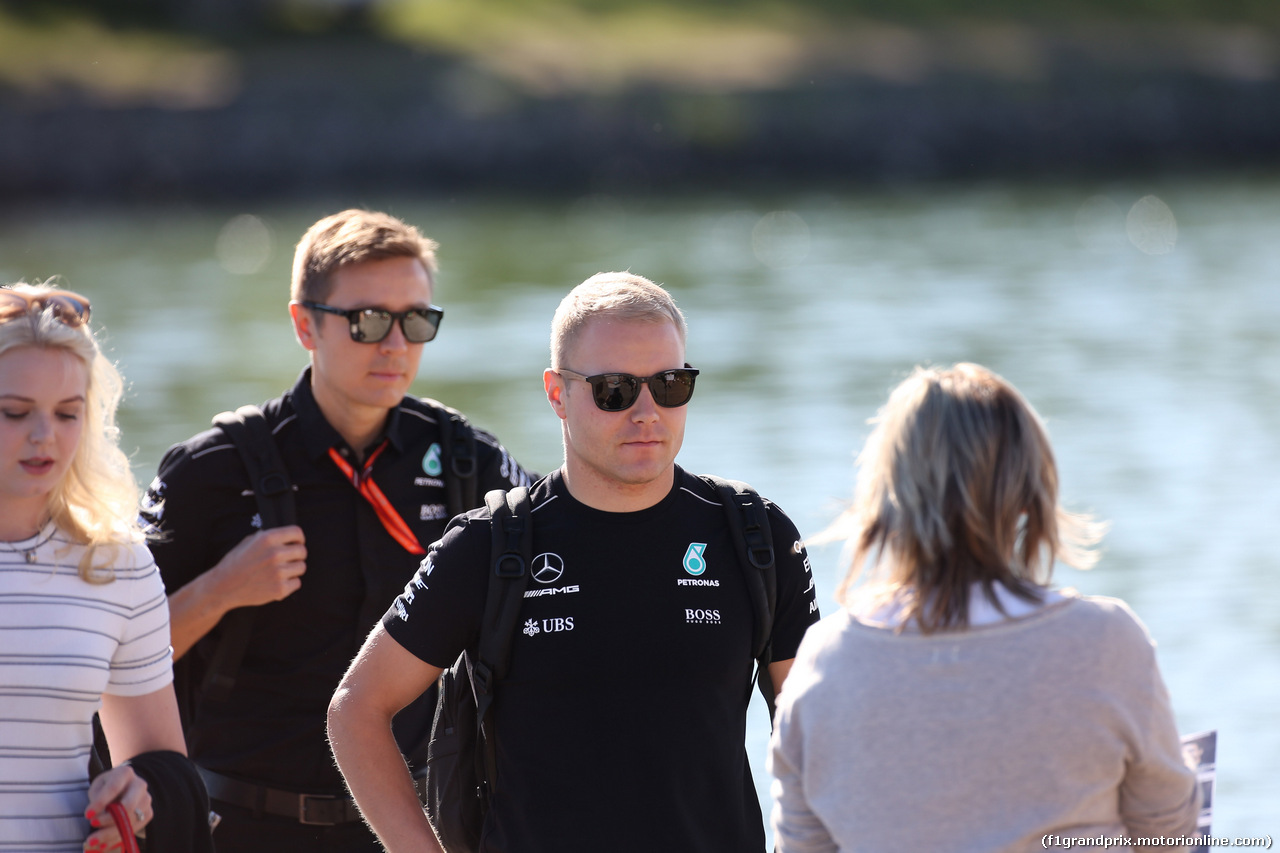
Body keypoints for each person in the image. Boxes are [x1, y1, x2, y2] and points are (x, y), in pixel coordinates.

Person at [328, 271, 822, 853]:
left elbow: (818, 738)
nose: (646, 412)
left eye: (670, 385)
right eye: (614, 389)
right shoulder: (490, 547)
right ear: (557, 393)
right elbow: (356, 711)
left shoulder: (754, 536)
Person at [139, 210, 534, 851]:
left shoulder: (470, 464)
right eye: (369, 320)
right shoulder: (210, 471)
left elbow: (569, 576)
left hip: (411, 828)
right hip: (238, 828)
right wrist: (221, 589)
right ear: (304, 324)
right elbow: (111, 660)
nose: (395, 345)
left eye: (416, 321)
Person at [768, 363, 1201, 853]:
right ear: (1025, 495)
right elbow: (1168, 832)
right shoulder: (1105, 641)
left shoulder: (824, 660)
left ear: (889, 495)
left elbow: (802, 844)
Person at [0, 284, 189, 852]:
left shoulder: (119, 563)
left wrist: (136, 796)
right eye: (15, 412)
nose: (44, 436)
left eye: (66, 414)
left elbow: (161, 766)